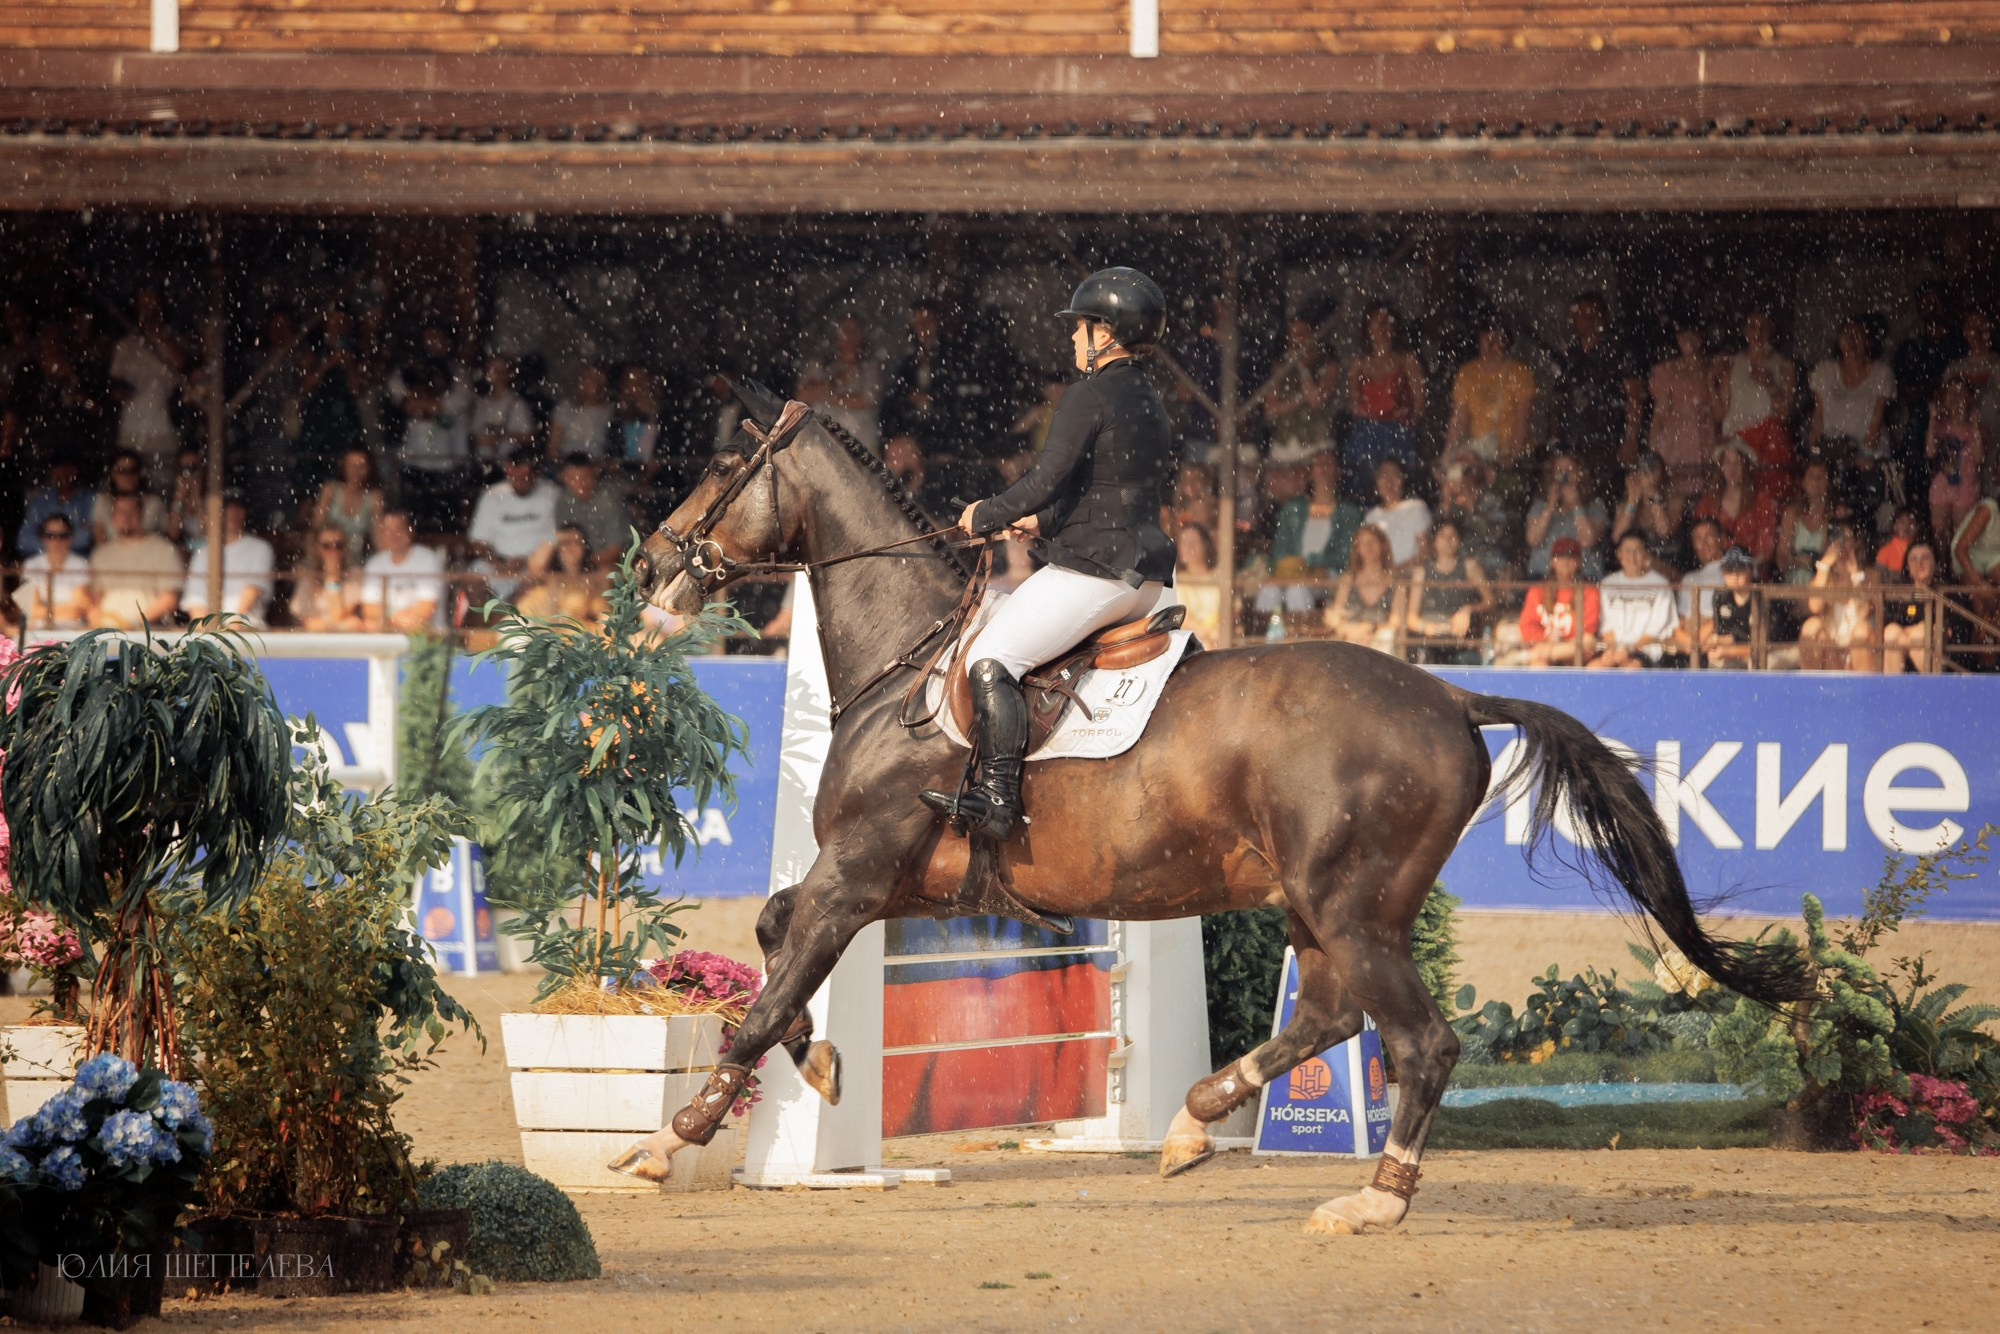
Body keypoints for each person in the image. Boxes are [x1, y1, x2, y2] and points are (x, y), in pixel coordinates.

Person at [919, 267, 1176, 846]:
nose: (1073, 338)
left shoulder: (1089, 393)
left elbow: (1044, 478)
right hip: (1146, 575)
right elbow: (1112, 487)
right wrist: (1044, 523)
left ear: (1106, 333)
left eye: (1081, 327)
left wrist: (984, 512)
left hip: (1101, 572)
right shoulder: (1150, 399)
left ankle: (997, 799)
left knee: (990, 660)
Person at [1259, 450, 1362, 624]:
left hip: (1329, 574)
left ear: (1338, 472)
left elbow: (1347, 553)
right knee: (1268, 591)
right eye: (1318, 464)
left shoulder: (1348, 512)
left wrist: (1315, 564)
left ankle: (1301, 642)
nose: (1323, 469)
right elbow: (1280, 549)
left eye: (1328, 464)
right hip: (1294, 571)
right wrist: (1290, 566)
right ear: (1310, 472)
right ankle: (1261, 643)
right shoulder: (1294, 508)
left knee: (1296, 591)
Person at [1551, 291, 1642, 485]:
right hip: (1574, 441)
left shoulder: (1618, 351)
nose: (1582, 320)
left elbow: (1635, 396)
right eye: (1579, 315)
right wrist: (1554, 435)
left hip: (1608, 440)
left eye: (1589, 315)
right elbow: (1558, 400)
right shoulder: (1571, 355)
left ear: (1601, 317)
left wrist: (1630, 439)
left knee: (1606, 494)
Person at [107, 287, 187, 491]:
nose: (149, 311)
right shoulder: (125, 346)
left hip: (163, 429)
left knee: (162, 487)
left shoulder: (175, 341)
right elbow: (113, 386)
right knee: (129, 487)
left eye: (153, 306)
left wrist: (161, 337)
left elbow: (184, 365)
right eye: (144, 306)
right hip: (132, 429)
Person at [1345, 304, 1424, 494]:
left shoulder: (1407, 360)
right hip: (1367, 434)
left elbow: (1419, 400)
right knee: (1363, 486)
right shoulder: (1358, 364)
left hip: (1398, 433)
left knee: (1398, 486)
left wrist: (1407, 424)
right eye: (1377, 322)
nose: (1383, 327)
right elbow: (1353, 403)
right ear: (1367, 328)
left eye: (1387, 322)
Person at [467, 445, 562, 599]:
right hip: (497, 563)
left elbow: (556, 536)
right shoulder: (492, 495)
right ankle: (482, 622)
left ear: (536, 473)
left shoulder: (553, 495)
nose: (519, 481)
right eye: (514, 475)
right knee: (471, 582)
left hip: (536, 565)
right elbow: (478, 540)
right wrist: (495, 560)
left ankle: (516, 620)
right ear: (507, 470)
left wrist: (529, 560)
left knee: (530, 589)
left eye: (525, 476)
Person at [1715, 310, 1796, 479]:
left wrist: (1771, 385)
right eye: (1752, 327)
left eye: (1763, 327)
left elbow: (1785, 414)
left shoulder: (1784, 365)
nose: (1758, 333)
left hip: (1767, 445)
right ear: (1745, 330)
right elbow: (1719, 412)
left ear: (1772, 330)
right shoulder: (1732, 363)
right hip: (1737, 444)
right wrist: (1710, 381)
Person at [1647, 318, 1719, 506]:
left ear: (1701, 336)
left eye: (1692, 334)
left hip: (1706, 437)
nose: (1687, 340)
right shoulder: (1667, 370)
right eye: (1682, 335)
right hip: (1676, 441)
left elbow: (1720, 408)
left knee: (1707, 494)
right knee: (1675, 495)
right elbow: (1660, 414)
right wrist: (1653, 452)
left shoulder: (1714, 366)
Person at [1444, 318, 1535, 468]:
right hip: (1477, 453)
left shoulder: (1519, 373)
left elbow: (1522, 419)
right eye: (1485, 339)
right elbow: (1458, 419)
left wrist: (1513, 456)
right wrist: (1447, 455)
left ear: (1505, 342)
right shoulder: (1467, 373)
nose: (1490, 346)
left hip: (1509, 453)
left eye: (1495, 340)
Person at [85, 492, 183, 629]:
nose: (126, 517)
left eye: (131, 511)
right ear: (112, 517)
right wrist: (98, 622)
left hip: (151, 631)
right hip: (107, 631)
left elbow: (170, 598)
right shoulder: (101, 553)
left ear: (141, 514)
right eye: (121, 512)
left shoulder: (164, 549)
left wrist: (134, 623)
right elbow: (93, 599)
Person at [1590, 531, 1681, 669]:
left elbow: (1655, 629)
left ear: (1645, 554)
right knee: (1593, 669)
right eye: (1627, 550)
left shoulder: (1661, 584)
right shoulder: (1607, 584)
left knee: (1629, 671)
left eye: (1637, 551)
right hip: (1613, 648)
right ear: (1619, 554)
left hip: (1644, 650)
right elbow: (1606, 624)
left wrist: (1629, 649)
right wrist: (1613, 650)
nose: (1632, 556)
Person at [182, 493, 277, 626]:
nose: (232, 513)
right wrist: (205, 631)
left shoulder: (261, 548)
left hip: (247, 629)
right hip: (208, 634)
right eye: (226, 509)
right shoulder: (202, 553)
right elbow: (194, 600)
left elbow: (253, 590)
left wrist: (232, 626)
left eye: (237, 508)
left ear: (244, 512)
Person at [1406, 518, 1492, 663]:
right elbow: (1411, 619)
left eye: (1453, 535)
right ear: (1434, 541)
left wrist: (1468, 609)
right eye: (1442, 535)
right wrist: (1427, 627)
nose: (1448, 540)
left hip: (1460, 640)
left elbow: (1490, 601)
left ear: (1459, 541)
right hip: (1428, 642)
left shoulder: (1470, 567)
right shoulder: (1421, 572)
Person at [1798, 527, 1878, 672]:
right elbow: (1815, 606)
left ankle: (1866, 691)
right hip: (1832, 655)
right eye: (1837, 538)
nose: (1841, 543)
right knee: (1811, 625)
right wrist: (1824, 566)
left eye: (1846, 539)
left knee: (1861, 630)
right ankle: (1810, 689)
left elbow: (1863, 613)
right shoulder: (1822, 578)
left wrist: (1855, 575)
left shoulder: (1871, 575)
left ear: (1856, 543)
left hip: (1861, 656)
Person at [1692, 438, 1778, 572]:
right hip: (1716, 572)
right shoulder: (1708, 501)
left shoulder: (1762, 501)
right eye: (1727, 462)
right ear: (1721, 467)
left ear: (1746, 466)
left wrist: (1748, 569)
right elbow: (1699, 540)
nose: (1732, 468)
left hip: (1751, 573)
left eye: (1738, 462)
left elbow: (1766, 546)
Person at [360, 511, 448, 633]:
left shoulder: (428, 560)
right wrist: (395, 617)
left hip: (426, 638)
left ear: (410, 531)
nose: (392, 535)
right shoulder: (374, 563)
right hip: (388, 636)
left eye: (398, 529)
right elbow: (369, 610)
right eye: (387, 530)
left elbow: (424, 612)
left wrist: (386, 618)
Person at [1525, 452, 1608, 580]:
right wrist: (1550, 505)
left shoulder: (1595, 506)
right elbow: (1533, 539)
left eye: (1570, 471)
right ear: (1551, 476)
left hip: (1585, 575)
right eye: (1559, 471)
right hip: (1543, 574)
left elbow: (1587, 541)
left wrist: (1576, 504)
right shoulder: (1540, 506)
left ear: (1580, 475)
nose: (1564, 476)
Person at [1518, 537, 1599, 667]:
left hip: (1572, 650)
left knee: (1588, 641)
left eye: (1571, 557)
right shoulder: (1538, 590)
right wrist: (1547, 641)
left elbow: (1588, 629)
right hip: (1544, 646)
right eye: (1560, 557)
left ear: (1578, 562)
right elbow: (1527, 626)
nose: (1565, 562)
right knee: (1538, 665)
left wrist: (1556, 647)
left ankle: (1527, 656)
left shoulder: (1589, 591)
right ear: (1552, 562)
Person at [1925, 376, 1985, 544]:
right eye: (1950, 393)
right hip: (1941, 484)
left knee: (1961, 535)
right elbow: (1930, 452)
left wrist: (1975, 427)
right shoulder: (1940, 425)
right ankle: (1943, 567)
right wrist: (1932, 419)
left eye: (1960, 393)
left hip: (1966, 486)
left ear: (1969, 398)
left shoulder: (1977, 426)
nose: (1955, 398)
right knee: (1940, 532)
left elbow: (1980, 458)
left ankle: (1958, 568)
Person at [1324, 524, 1404, 649]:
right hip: (1351, 636)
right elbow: (1336, 614)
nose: (1368, 547)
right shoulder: (1348, 579)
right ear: (1357, 549)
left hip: (1380, 638)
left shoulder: (1396, 581)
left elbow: (1396, 621)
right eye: (1363, 543)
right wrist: (1350, 630)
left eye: (1372, 541)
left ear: (1383, 545)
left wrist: (1372, 629)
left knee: (1386, 637)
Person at [516, 524, 611, 625]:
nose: (571, 547)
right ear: (557, 548)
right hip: (543, 629)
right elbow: (535, 567)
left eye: (577, 543)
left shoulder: (595, 575)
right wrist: (555, 537)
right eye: (566, 543)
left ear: (585, 548)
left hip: (577, 631)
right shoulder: (546, 575)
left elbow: (602, 609)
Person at [308, 446, 386, 567]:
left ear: (369, 468)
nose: (356, 470)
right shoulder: (330, 490)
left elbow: (378, 535)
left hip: (355, 560)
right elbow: (316, 528)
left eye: (361, 465)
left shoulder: (374, 497)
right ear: (343, 467)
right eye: (351, 465)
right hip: (326, 555)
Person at [555, 452, 632, 572]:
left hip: (612, 567)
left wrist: (584, 565)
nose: (580, 482)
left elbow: (616, 551)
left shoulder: (609, 500)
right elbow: (562, 541)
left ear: (595, 472)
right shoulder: (563, 501)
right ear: (563, 478)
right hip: (577, 566)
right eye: (573, 478)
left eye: (584, 477)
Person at [13, 513, 91, 627]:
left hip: (73, 627)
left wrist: (44, 611)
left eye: (63, 535)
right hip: (38, 627)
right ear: (42, 538)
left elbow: (77, 611)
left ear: (71, 537)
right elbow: (31, 610)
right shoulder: (31, 565)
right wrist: (64, 610)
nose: (57, 541)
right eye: (51, 535)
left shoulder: (81, 565)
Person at [290, 524, 367, 632]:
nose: (333, 550)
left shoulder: (356, 576)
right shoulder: (308, 578)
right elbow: (307, 622)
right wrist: (337, 625)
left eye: (338, 545)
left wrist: (333, 578)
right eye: (327, 546)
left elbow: (339, 614)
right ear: (317, 548)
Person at [469, 354, 536, 479]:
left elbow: (530, 438)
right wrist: (481, 440)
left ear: (509, 374)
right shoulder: (481, 402)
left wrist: (503, 436)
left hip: (507, 467)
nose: (498, 375)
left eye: (502, 370)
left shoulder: (517, 404)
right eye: (494, 370)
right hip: (482, 465)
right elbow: (473, 434)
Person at [1881, 541, 1941, 674]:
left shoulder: (1949, 592)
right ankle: (1893, 691)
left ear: (1935, 563)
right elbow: (1888, 623)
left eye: (1925, 558)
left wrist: (1914, 631)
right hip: (1901, 659)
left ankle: (1933, 690)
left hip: (1940, 658)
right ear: (1907, 566)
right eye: (1914, 559)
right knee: (1891, 633)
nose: (1919, 564)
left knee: (1919, 634)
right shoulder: (1897, 592)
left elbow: (1950, 629)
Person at [17, 459, 96, 557]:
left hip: (79, 564)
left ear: (77, 470)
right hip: (44, 564)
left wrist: (47, 539)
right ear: (52, 471)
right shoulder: (41, 501)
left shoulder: (90, 499)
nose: (63, 473)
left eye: (68, 468)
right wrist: (61, 544)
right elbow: (24, 540)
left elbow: (85, 539)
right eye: (58, 469)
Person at [1361, 458, 1431, 568]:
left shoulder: (1416, 508)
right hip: (1381, 579)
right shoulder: (1371, 517)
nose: (1389, 481)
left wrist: (1397, 571)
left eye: (1393, 474)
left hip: (1410, 576)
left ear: (1402, 479)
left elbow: (1425, 552)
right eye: (1383, 475)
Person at [89, 449, 166, 548]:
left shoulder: (154, 503)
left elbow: (166, 537)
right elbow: (99, 537)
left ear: (139, 474)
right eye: (122, 471)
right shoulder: (103, 501)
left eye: (132, 471)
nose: (127, 476)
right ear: (112, 474)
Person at [1698, 547, 1760, 669]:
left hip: (1775, 650)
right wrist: (1715, 641)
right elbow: (1724, 633)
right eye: (1729, 569)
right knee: (1711, 659)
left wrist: (1729, 651)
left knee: (1760, 663)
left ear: (1751, 570)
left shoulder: (1763, 596)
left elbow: (1765, 645)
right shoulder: (1720, 597)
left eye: (1740, 569)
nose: (1734, 574)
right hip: (1736, 649)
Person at [1776, 460, 1836, 585]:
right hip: (1794, 582)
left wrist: (1815, 563)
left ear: (1828, 483)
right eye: (1811, 476)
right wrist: (1796, 561)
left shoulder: (1834, 514)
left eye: (1820, 477)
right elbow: (1781, 559)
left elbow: (1835, 560)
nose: (1815, 481)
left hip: (1824, 582)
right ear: (1803, 482)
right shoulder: (1791, 513)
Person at [1677, 517, 1730, 622]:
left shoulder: (1733, 572)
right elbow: (1681, 618)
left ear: (1721, 538)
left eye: (1709, 536)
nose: (1704, 543)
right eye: (1698, 538)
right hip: (1689, 635)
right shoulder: (1688, 578)